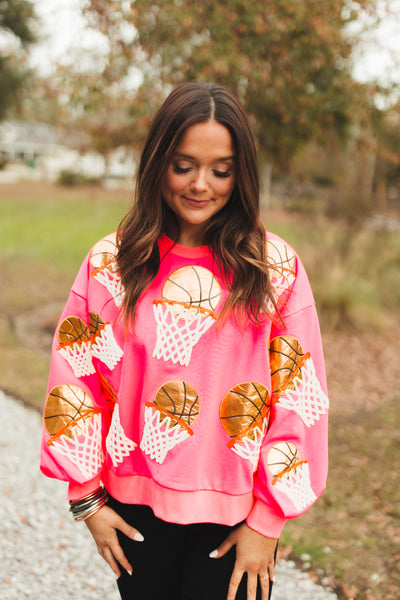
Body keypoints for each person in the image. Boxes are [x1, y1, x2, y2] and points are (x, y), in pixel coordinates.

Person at [40, 81, 329, 600]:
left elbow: (298, 397)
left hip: (237, 518)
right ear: (157, 164)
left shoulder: (274, 269)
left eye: (221, 169)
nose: (201, 184)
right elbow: (76, 378)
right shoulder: (111, 264)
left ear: (241, 173)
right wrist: (86, 497)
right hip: (137, 514)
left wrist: (268, 520)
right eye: (183, 165)